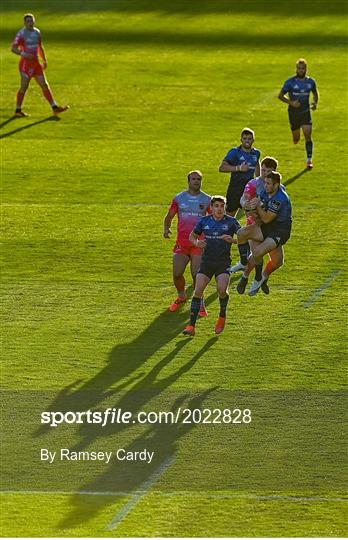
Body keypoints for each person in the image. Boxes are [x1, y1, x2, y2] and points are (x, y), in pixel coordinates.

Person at [182, 196, 240, 336]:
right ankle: (191, 326)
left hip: (223, 262)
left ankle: (222, 316)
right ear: (212, 208)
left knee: (221, 290)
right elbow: (192, 236)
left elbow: (244, 238)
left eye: (222, 206)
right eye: (216, 206)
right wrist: (196, 243)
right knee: (198, 290)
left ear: (225, 207)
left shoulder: (232, 222)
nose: (219, 209)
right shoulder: (204, 221)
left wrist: (232, 240)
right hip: (207, 261)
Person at [236, 171, 292, 296]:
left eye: (268, 183)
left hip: (279, 232)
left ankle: (259, 278)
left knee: (259, 253)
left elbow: (266, 218)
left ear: (276, 185)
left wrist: (257, 207)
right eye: (265, 182)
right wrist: (249, 208)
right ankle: (243, 264)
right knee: (241, 233)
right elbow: (257, 210)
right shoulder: (264, 192)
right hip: (267, 226)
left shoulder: (280, 199)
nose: (265, 185)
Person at [164, 170, 211, 315]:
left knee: (196, 274)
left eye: (199, 179)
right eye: (193, 179)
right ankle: (181, 296)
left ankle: (200, 301)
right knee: (177, 273)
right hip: (182, 243)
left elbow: (214, 218)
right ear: (188, 181)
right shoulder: (179, 199)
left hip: (198, 243)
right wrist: (166, 229)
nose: (196, 181)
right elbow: (170, 215)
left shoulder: (207, 200)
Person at [11, 13, 69, 117]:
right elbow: (13, 48)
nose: (30, 23)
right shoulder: (21, 34)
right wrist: (24, 54)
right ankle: (18, 110)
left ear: (34, 21)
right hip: (26, 65)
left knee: (44, 85)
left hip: (36, 64)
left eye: (31, 21)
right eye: (28, 21)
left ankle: (54, 107)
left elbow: (40, 47)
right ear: (24, 23)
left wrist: (44, 59)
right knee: (24, 87)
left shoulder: (37, 32)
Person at [278, 58, 319, 169]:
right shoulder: (290, 82)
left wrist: (315, 103)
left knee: (308, 135)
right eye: (299, 68)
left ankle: (309, 160)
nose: (301, 70)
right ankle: (295, 136)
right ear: (296, 69)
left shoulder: (310, 82)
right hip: (293, 113)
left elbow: (315, 93)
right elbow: (280, 95)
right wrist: (291, 102)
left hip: (305, 112)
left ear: (306, 69)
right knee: (296, 138)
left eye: (303, 68)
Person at [218, 127, 261, 216]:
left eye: (249, 138)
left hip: (249, 188)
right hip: (235, 188)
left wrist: (258, 180)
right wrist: (238, 168)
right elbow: (222, 168)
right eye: (245, 138)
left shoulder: (256, 153)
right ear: (241, 139)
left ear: (253, 140)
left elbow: (257, 163)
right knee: (230, 215)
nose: (247, 141)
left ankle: (248, 230)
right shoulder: (235, 152)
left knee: (252, 215)